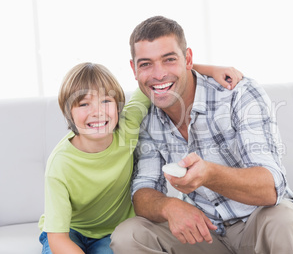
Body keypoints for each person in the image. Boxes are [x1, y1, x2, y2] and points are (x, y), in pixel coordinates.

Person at [110, 16, 293, 254]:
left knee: (283, 217)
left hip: (257, 221)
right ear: (134, 69)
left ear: (188, 59)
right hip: (205, 232)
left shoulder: (238, 94)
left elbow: (271, 188)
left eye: (169, 60)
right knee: (129, 235)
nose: (158, 73)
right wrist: (169, 207)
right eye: (146, 64)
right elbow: (142, 191)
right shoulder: (145, 117)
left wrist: (209, 173)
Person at [37, 62, 243, 254]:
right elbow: (58, 237)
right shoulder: (60, 165)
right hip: (70, 231)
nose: (97, 112)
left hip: (112, 231)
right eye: (84, 104)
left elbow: (158, 78)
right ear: (68, 112)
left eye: (106, 101)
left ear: (118, 107)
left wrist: (211, 70)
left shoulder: (128, 127)